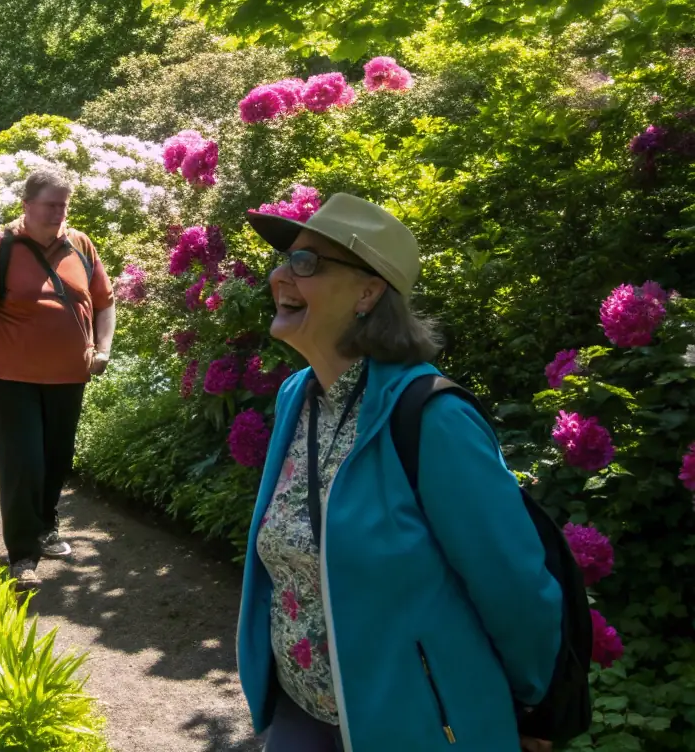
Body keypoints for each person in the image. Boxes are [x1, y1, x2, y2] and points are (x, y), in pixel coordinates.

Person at [235, 193, 563, 752]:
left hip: (415, 724)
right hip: (300, 712)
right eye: (285, 258)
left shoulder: (432, 418)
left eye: (306, 262)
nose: (280, 274)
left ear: (368, 292)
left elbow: (512, 581)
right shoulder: (298, 396)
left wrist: (535, 705)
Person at [0, 167, 116, 590]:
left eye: (64, 205)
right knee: (23, 464)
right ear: (27, 205)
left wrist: (102, 349)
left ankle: (46, 527)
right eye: (50, 205)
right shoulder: (2, 248)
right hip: (13, 378)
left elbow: (105, 304)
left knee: (56, 458)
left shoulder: (81, 245)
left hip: (69, 377)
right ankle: (22, 556)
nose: (58, 213)